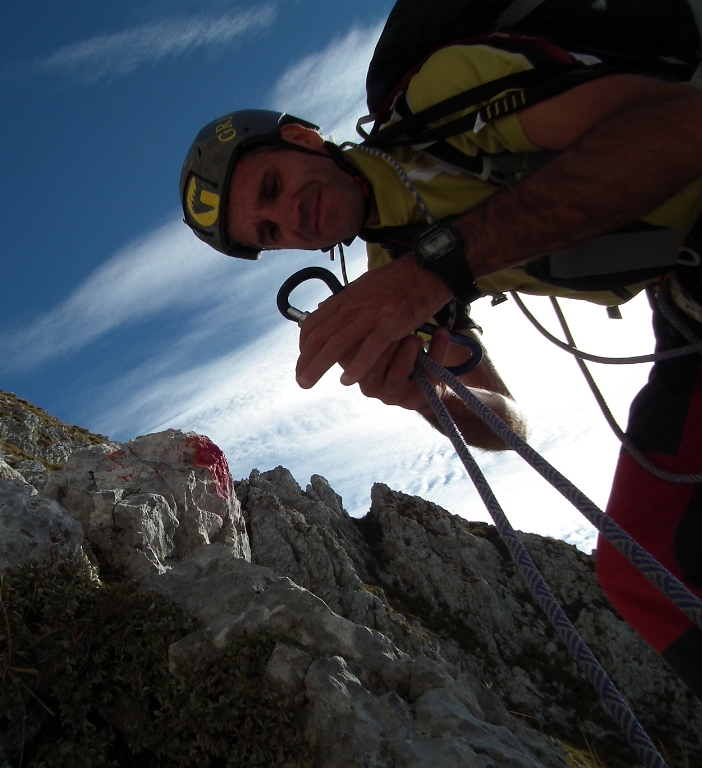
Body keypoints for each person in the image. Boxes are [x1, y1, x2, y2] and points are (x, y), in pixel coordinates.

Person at [179, 42, 702, 699]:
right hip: (686, 307)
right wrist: (424, 397)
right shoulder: (392, 264)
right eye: (270, 232)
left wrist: (436, 269)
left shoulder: (445, 100)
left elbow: (683, 126)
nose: (289, 220)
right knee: (647, 571)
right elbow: (509, 423)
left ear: (303, 138)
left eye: (273, 188)